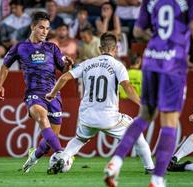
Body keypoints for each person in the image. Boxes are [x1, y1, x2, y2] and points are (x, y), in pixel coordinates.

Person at [103, 0, 193, 187]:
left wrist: (158, 38)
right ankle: (157, 180)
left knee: (144, 117)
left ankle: (115, 162)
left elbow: (137, 32)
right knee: (169, 123)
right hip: (173, 65)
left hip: (151, 61)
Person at [45, 32, 154, 175]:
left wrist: (52, 94)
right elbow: (127, 87)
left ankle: (64, 157)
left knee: (79, 139)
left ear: (100, 48)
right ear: (115, 49)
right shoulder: (118, 66)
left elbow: (65, 77)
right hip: (109, 117)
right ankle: (151, 168)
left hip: (87, 117)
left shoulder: (87, 64)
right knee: (137, 134)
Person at [0, 11, 74, 173]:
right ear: (32, 27)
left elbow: (62, 69)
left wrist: (69, 65)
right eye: (41, 28)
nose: (45, 31)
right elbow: (5, 65)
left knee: (50, 138)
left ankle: (34, 156)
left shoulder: (52, 47)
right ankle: (61, 154)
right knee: (41, 116)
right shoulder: (20, 47)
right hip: (34, 93)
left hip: (53, 94)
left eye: (47, 28)